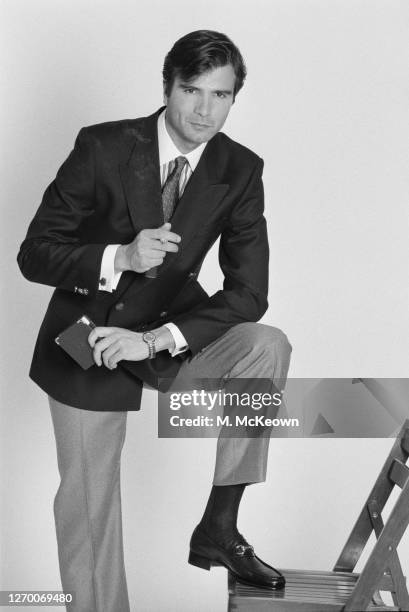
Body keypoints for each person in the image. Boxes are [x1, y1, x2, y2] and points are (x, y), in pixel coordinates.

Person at [17, 30, 292, 612]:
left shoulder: (240, 168)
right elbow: (35, 253)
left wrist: (154, 340)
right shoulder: (104, 146)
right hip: (88, 339)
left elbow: (250, 293)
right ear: (167, 86)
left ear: (234, 98)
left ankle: (219, 523)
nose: (204, 110)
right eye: (192, 91)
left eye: (220, 96)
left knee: (266, 345)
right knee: (89, 505)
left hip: (166, 335)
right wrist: (119, 256)